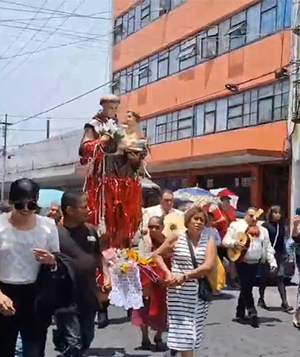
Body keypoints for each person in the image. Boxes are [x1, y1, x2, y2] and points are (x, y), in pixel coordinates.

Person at [0, 178, 60, 357]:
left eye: (32, 205)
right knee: (3, 350)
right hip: (3, 292)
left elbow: (57, 258)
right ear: (12, 202)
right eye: (21, 205)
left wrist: (51, 260)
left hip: (35, 294)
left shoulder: (48, 226)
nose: (26, 210)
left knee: (35, 350)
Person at [78, 94, 146, 250]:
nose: (113, 110)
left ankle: (121, 252)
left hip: (124, 179)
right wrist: (103, 141)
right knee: (103, 221)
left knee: (124, 222)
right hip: (104, 182)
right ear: (103, 106)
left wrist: (136, 156)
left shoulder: (121, 126)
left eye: (115, 107)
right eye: (110, 107)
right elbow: (84, 150)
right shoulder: (94, 125)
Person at [153, 206, 217, 357]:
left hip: (198, 294)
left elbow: (208, 266)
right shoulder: (176, 237)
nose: (199, 222)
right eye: (196, 219)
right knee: (184, 332)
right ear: (188, 221)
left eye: (202, 220)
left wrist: (185, 276)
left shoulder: (209, 240)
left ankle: (178, 351)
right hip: (178, 293)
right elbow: (156, 255)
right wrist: (168, 273)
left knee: (193, 332)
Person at [54, 191, 108, 356]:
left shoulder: (91, 231)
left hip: (88, 295)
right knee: (73, 343)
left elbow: (99, 256)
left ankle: (63, 342)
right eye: (84, 207)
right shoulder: (55, 233)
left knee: (87, 338)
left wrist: (106, 275)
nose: (88, 210)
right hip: (65, 298)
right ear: (70, 210)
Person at [222, 207, 276, 328]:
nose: (253, 218)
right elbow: (225, 240)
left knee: (247, 287)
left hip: (256, 262)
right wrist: (234, 243)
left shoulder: (263, 231)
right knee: (246, 287)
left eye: (255, 216)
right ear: (246, 215)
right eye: (251, 216)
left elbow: (268, 248)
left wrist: (273, 263)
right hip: (241, 261)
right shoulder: (236, 225)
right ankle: (252, 312)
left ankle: (240, 312)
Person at [132, 216, 168, 351]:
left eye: (156, 227)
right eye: (151, 227)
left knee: (162, 309)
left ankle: (158, 336)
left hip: (162, 281)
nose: (153, 230)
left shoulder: (167, 242)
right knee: (143, 309)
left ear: (162, 228)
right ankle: (145, 337)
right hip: (145, 280)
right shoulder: (143, 241)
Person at [258, 206, 294, 312]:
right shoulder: (265, 226)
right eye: (275, 213)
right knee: (265, 277)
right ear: (271, 214)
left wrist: (287, 254)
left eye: (279, 213)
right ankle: (261, 299)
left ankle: (284, 302)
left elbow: (285, 240)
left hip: (279, 254)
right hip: (268, 254)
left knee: (280, 277)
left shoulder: (281, 226)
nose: (277, 215)